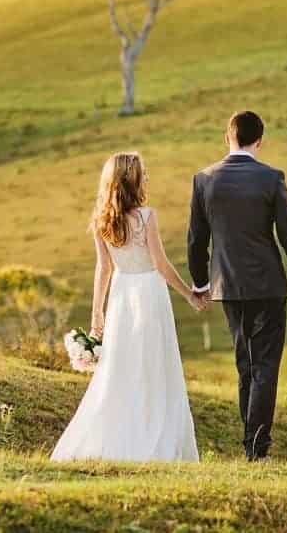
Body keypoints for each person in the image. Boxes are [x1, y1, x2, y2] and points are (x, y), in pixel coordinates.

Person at [50, 151, 201, 462]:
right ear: (132, 179)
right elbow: (160, 263)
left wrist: (97, 313)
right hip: (149, 294)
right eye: (143, 173)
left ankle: (120, 438)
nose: (146, 177)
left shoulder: (101, 219)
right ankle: (153, 438)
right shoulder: (147, 216)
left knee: (121, 369)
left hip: (121, 295)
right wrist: (188, 294)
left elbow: (103, 268)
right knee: (154, 365)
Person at [186, 110, 287, 461]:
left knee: (245, 363)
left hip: (227, 287)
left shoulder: (204, 180)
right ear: (260, 140)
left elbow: (197, 240)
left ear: (227, 137)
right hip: (269, 284)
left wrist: (201, 283)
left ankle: (251, 444)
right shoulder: (271, 178)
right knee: (266, 365)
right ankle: (257, 447)